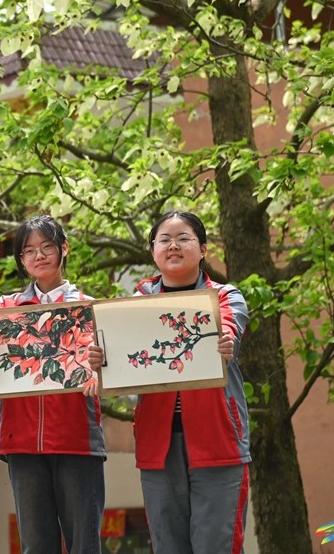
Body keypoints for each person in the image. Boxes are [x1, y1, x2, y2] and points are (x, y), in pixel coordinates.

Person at [88, 210, 250, 554]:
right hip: (157, 446)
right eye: (164, 239)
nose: (173, 245)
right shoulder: (134, 304)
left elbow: (232, 328)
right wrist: (101, 359)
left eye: (183, 238)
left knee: (216, 546)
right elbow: (115, 357)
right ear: (152, 250)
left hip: (218, 440)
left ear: (203, 249)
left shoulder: (226, 296)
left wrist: (226, 342)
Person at [0, 215, 106, 554]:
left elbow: (109, 371)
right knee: (36, 545)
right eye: (29, 251)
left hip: (77, 439)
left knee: (85, 543)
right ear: (21, 260)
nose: (39, 256)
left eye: (47, 247)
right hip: (21, 442)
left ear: (64, 249)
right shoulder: (3, 311)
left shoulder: (89, 308)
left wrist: (100, 368)